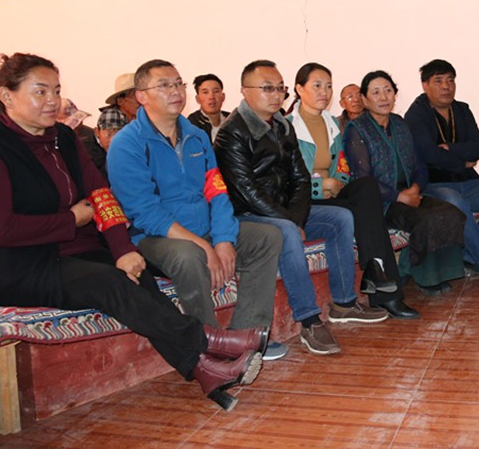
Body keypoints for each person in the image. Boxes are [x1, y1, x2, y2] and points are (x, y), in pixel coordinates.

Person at [0, 53, 269, 410]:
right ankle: (213, 341)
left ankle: (205, 370)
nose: (53, 101)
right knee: (109, 282)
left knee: (137, 274)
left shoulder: (62, 137)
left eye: (57, 90)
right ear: (7, 96)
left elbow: (100, 195)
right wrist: (71, 220)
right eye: (40, 92)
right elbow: (5, 228)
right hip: (23, 262)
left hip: (76, 248)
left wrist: (123, 249)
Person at [107, 59, 286, 361]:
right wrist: (203, 245)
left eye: (179, 83)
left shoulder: (197, 136)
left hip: (202, 228)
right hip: (155, 237)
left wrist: (223, 239)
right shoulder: (127, 144)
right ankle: (208, 345)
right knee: (188, 255)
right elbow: (145, 212)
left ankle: (247, 334)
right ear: (141, 96)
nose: (176, 91)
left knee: (267, 237)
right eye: (164, 85)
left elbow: (217, 191)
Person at [215, 60, 389, 356]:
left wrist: (296, 217)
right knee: (286, 231)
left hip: (284, 212)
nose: (275, 95)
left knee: (341, 217)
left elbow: (300, 178)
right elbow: (246, 191)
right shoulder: (232, 132)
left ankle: (344, 303)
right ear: (245, 91)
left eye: (279, 89)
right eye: (267, 88)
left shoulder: (281, 125)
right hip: (249, 215)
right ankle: (309, 319)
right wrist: (289, 221)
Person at [288, 62, 418, 319]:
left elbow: (343, 166)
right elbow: (287, 179)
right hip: (305, 200)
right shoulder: (287, 127)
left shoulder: (331, 123)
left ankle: (375, 270)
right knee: (366, 210)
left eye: (328, 86)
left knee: (367, 188)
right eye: (317, 86)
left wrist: (336, 182)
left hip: (333, 194)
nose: (324, 92)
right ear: (299, 89)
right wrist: (320, 187)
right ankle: (385, 289)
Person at [344, 70, 466, 296]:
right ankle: (421, 276)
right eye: (376, 92)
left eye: (388, 91)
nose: (383, 97)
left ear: (395, 95)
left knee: (452, 212)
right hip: (381, 202)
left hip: (410, 192)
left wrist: (415, 189)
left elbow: (419, 165)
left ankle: (435, 272)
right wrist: (399, 196)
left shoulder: (400, 124)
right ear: (364, 99)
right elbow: (363, 178)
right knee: (426, 219)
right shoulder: (357, 129)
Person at [404, 59, 479, 285]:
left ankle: (468, 256)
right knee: (456, 203)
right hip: (434, 185)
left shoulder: (462, 110)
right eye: (438, 81)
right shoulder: (416, 115)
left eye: (450, 80)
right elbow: (429, 155)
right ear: (425, 85)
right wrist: (462, 163)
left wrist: (450, 148)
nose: (446, 86)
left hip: (468, 182)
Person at [188, 73, 229, 143]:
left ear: (223, 96)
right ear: (197, 99)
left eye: (216, 91)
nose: (211, 97)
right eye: (205, 92)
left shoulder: (232, 119)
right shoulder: (191, 123)